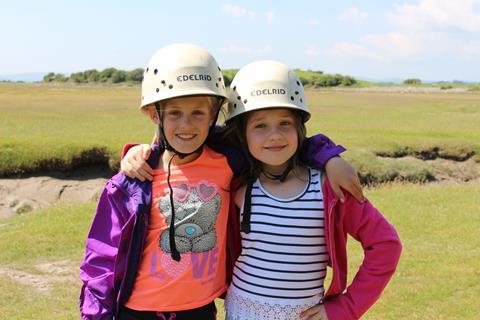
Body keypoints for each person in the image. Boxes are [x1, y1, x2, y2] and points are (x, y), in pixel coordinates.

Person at [79, 44, 359, 320]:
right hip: (137, 313)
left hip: (200, 310)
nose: (187, 125)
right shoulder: (131, 183)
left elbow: (276, 141)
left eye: (198, 113)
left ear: (213, 115)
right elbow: (101, 260)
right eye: (175, 113)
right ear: (155, 114)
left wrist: (329, 156)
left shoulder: (228, 159)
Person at [220, 60, 402, 320]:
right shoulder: (238, 185)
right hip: (241, 312)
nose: (275, 135)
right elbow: (191, 139)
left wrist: (345, 308)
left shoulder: (330, 188)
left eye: (285, 123)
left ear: (300, 128)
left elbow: (386, 245)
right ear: (241, 134)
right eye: (260, 125)